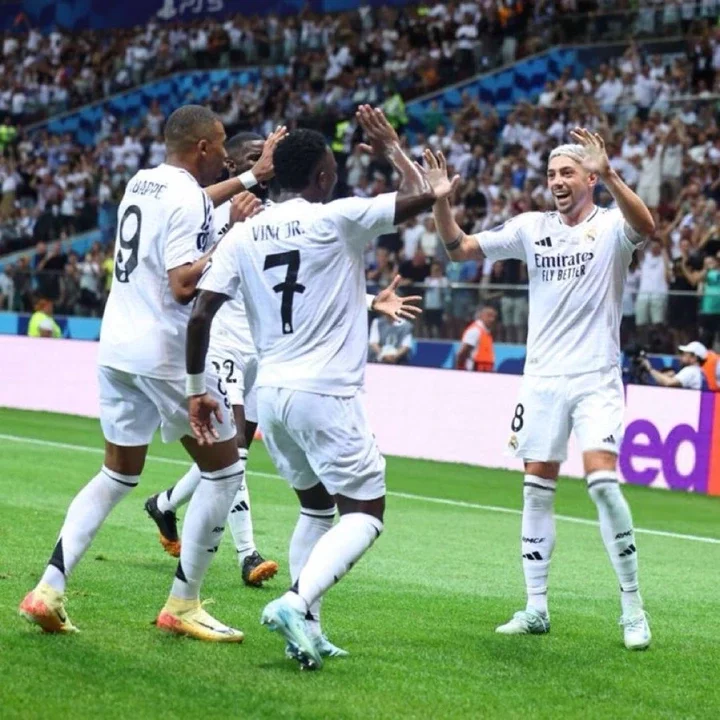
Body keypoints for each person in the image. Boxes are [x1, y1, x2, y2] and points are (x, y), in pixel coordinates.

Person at [183, 107, 453, 669]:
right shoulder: (337, 218)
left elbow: (201, 311)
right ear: (323, 177)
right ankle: (296, 600)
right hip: (326, 393)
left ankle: (307, 626)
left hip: (272, 397)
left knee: (316, 508)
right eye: (332, 168)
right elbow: (425, 196)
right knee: (367, 510)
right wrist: (394, 150)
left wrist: (194, 386)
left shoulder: (245, 232)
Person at [19, 105, 284, 642]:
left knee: (116, 472)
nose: (225, 150)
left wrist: (253, 177)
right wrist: (231, 236)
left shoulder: (143, 182)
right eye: (222, 142)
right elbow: (184, 285)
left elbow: (195, 204)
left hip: (116, 347)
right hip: (163, 353)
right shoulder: (188, 196)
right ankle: (183, 604)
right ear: (205, 147)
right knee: (226, 470)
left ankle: (47, 590)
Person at [429, 127, 656, 650]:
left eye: (567, 172)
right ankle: (535, 607)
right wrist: (442, 203)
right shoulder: (531, 228)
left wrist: (615, 173)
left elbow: (648, 225)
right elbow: (459, 248)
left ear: (590, 178)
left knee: (601, 483)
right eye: (552, 173)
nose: (556, 181)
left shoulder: (612, 227)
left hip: (596, 377)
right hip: (542, 381)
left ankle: (632, 607)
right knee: (536, 490)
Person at [144, 132, 279, 588]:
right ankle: (247, 553)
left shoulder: (278, 216)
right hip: (220, 344)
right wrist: (232, 227)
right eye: (253, 159)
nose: (266, 165)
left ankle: (164, 503)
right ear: (231, 167)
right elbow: (189, 280)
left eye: (269, 158)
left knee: (229, 455)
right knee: (233, 456)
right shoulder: (211, 210)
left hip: (260, 351)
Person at [639, 342, 706, 390]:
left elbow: (668, 383)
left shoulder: (691, 370)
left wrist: (650, 369)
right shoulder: (699, 371)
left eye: (685, 354)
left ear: (694, 358)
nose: (681, 357)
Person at [457, 305, 497, 372]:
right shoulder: (475, 330)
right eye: (489, 316)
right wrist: (461, 369)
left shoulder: (486, 331)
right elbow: (463, 352)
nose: (492, 319)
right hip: (475, 369)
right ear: (481, 316)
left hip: (485, 369)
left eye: (494, 317)